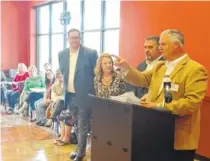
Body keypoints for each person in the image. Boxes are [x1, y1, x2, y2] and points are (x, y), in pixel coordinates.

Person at [114, 29, 208, 161]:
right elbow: (141, 79)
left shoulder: (195, 69)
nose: (159, 47)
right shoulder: (160, 66)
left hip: (177, 137)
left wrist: (159, 106)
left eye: (163, 44)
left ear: (176, 45)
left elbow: (192, 103)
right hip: (154, 132)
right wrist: (126, 67)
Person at [58, 28, 98, 161]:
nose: (74, 40)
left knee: (83, 125)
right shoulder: (62, 54)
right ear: (67, 39)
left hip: (85, 96)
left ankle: (80, 153)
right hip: (70, 96)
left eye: (77, 37)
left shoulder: (90, 53)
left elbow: (96, 75)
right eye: (72, 37)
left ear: (80, 38)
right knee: (75, 123)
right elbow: (64, 73)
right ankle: (79, 149)